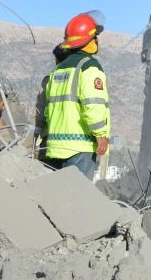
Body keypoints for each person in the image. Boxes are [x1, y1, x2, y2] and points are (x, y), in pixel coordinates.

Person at [43, 11, 111, 180]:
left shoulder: (57, 70)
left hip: (56, 146)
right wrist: (100, 134)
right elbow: (93, 104)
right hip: (80, 146)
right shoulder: (89, 67)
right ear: (90, 40)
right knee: (77, 200)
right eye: (95, 36)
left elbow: (48, 108)